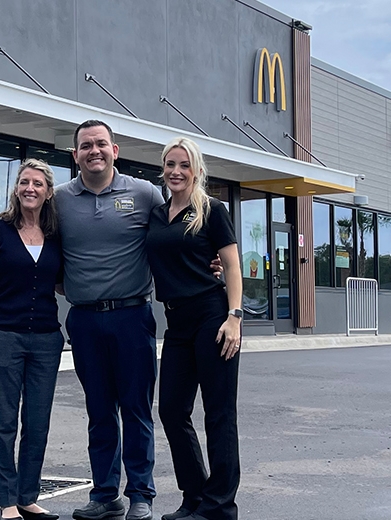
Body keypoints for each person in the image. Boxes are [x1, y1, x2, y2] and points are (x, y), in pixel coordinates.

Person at [55, 120, 165, 520]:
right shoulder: (59, 200)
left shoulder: (145, 193)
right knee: (99, 411)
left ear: (115, 150)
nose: (94, 151)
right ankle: (105, 495)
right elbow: (38, 245)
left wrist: (212, 262)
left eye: (101, 143)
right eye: (86, 145)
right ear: (75, 155)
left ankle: (140, 494)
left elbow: (175, 234)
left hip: (133, 317)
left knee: (136, 409)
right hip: (84, 321)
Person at [145, 137, 243, 520]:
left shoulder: (212, 210)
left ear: (197, 170)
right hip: (176, 322)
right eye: (170, 164)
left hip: (211, 316)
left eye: (184, 165)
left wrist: (234, 317)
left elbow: (231, 265)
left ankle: (221, 506)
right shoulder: (157, 213)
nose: (176, 171)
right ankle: (196, 496)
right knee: (171, 409)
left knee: (219, 414)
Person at [0, 159, 65, 520]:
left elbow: (60, 282)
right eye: (24, 182)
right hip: (4, 336)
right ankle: (6, 501)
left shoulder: (56, 235)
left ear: (48, 192)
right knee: (3, 422)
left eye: (37, 184)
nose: (30, 188)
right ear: (16, 189)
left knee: (37, 423)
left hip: (46, 339)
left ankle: (27, 496)